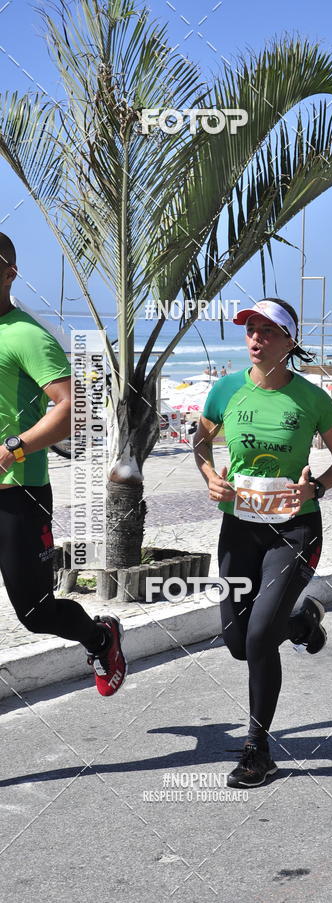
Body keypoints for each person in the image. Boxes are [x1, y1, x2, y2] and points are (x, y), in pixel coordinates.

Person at [194, 297, 332, 787]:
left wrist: (318, 487)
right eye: (250, 330)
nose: (256, 339)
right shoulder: (225, 391)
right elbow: (201, 442)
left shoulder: (311, 398)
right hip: (239, 529)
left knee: (261, 638)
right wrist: (209, 477)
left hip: (295, 531)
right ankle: (302, 622)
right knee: (239, 643)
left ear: (289, 341)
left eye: (268, 331)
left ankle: (257, 749)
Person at [0, 233, 126, 696]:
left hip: (18, 494)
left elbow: (75, 409)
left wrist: (12, 447)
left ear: (9, 273)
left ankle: (100, 637)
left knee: (35, 613)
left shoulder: (26, 335)